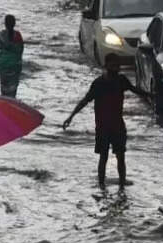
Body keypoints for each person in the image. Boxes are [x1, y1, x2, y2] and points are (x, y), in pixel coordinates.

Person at [62, 53, 149, 188]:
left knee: (121, 157)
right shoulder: (98, 83)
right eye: (113, 65)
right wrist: (71, 116)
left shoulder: (122, 80)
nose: (116, 68)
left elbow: (135, 90)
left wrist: (151, 96)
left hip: (118, 125)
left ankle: (121, 185)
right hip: (102, 127)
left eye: (118, 65)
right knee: (103, 157)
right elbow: (85, 101)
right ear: (106, 65)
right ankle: (102, 185)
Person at [0, 14, 24, 97]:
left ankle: (4, 104)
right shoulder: (18, 35)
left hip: (3, 64)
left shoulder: (0, 34)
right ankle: (12, 103)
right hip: (15, 64)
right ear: (14, 24)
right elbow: (21, 50)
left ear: (5, 24)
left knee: (4, 87)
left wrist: (4, 46)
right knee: (13, 88)